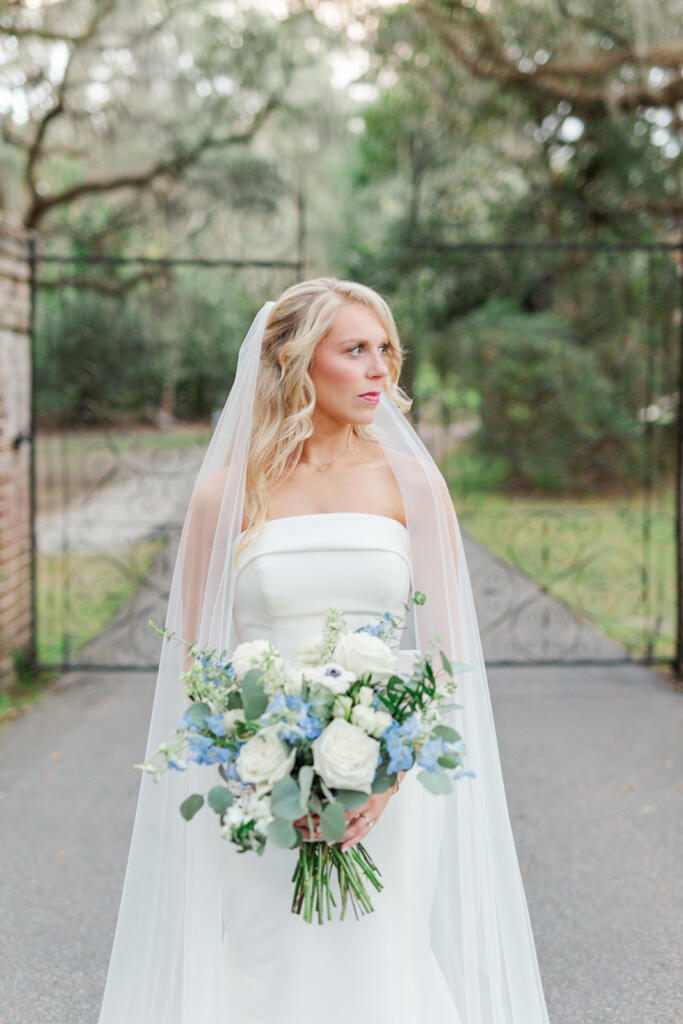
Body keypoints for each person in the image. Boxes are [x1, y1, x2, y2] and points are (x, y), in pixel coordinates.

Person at [97, 278, 550, 1023]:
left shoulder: (412, 484)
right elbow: (197, 663)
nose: (381, 369)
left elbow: (443, 658)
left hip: (387, 788)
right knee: (264, 967)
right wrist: (258, 766)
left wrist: (385, 779)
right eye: (355, 350)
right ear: (294, 361)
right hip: (259, 783)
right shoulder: (224, 495)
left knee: (382, 970)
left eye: (386, 350)